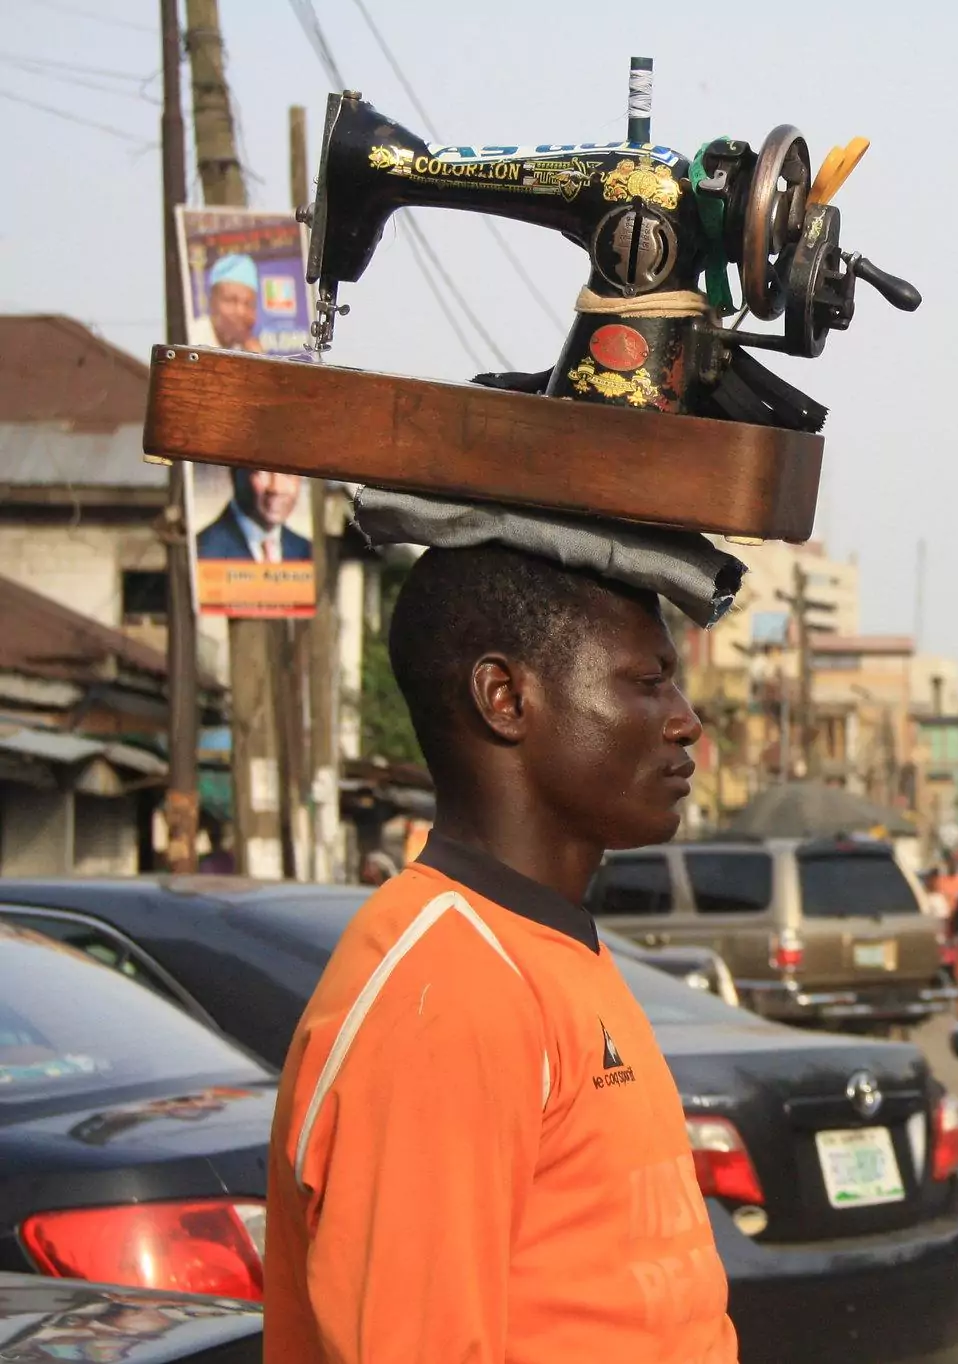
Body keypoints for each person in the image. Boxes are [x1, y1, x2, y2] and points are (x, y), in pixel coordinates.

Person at [264, 545, 737, 1363]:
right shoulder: (444, 991)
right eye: (647, 680)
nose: (685, 719)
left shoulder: (547, 946)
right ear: (506, 697)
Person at [195, 468, 311, 562]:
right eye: (263, 471)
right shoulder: (201, 552)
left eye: (288, 474)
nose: (276, 488)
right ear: (235, 475)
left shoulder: (309, 552)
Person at [192, 252, 264, 353]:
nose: (241, 312)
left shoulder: (243, 348)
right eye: (231, 300)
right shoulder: (190, 341)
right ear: (212, 303)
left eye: (249, 304)